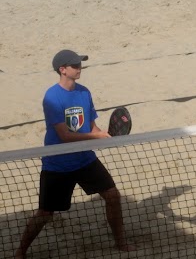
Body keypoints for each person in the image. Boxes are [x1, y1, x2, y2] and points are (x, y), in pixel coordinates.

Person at [15, 50, 133, 258]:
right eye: (75, 65)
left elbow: (92, 128)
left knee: (113, 196)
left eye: (80, 64)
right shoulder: (52, 97)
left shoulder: (84, 92)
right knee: (45, 214)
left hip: (84, 159)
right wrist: (96, 137)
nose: (80, 68)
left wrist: (107, 135)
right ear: (62, 70)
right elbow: (65, 135)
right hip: (58, 163)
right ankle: (21, 251)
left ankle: (120, 242)